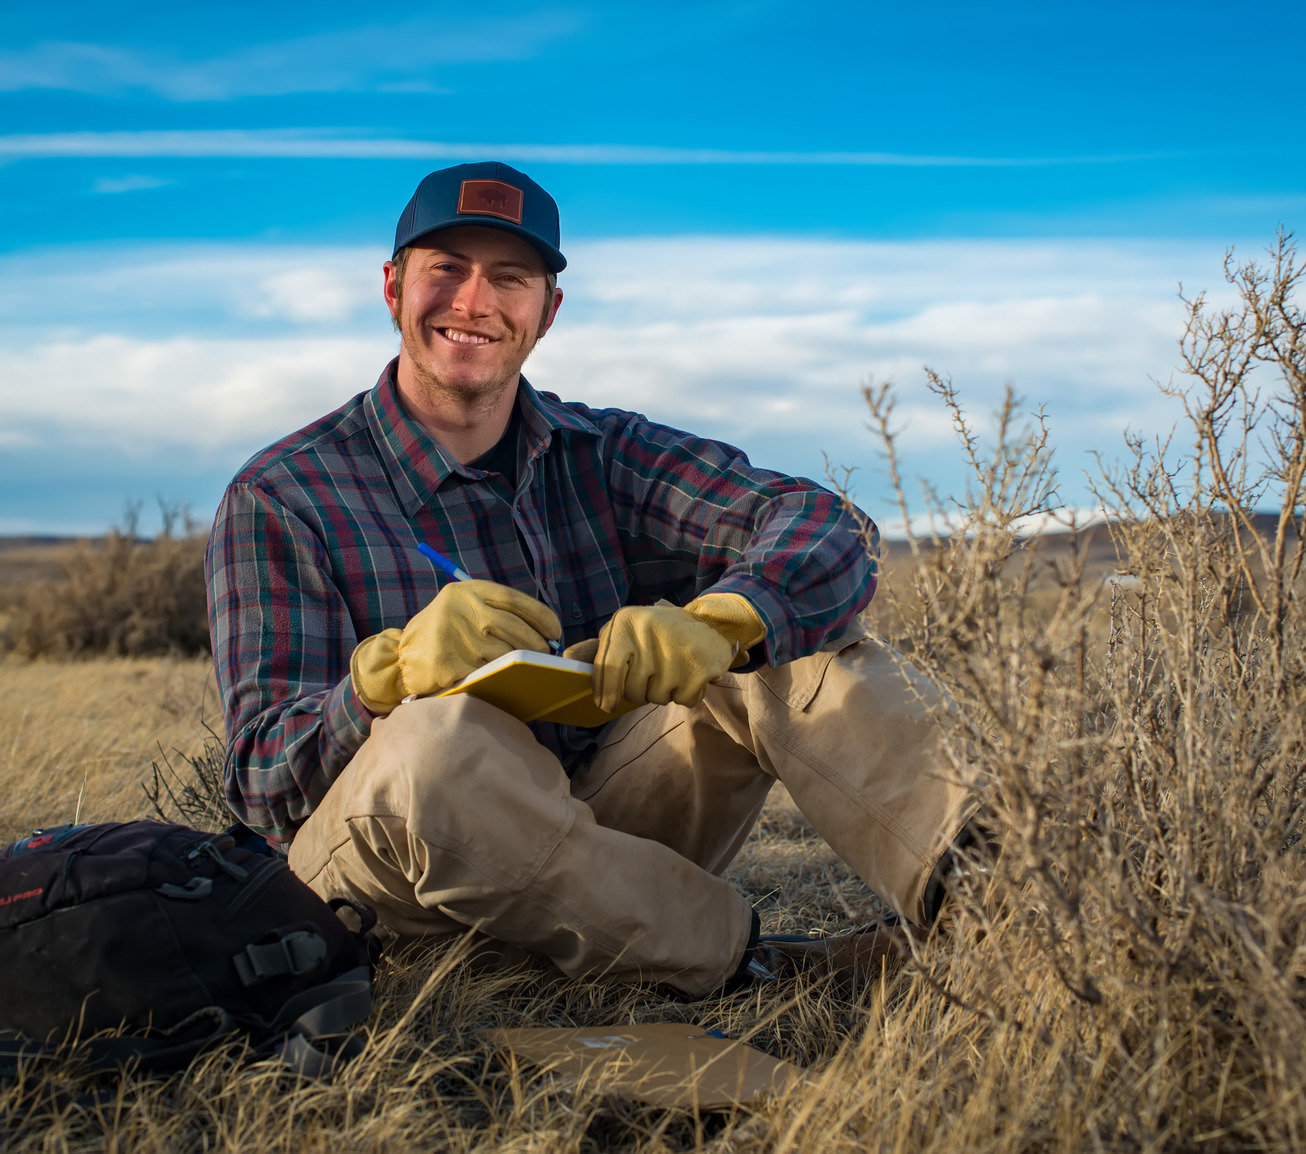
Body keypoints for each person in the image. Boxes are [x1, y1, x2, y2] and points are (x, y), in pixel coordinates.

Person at [206, 161, 975, 999]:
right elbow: (260, 782)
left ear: (548, 312)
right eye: (445, 271)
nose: (473, 302)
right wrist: (381, 678)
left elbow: (827, 525)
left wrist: (723, 620)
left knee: (791, 646)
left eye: (509, 278)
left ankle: (1009, 909)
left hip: (596, 845)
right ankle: (754, 969)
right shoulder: (282, 495)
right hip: (390, 894)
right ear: (392, 288)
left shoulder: (603, 452)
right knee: (436, 742)